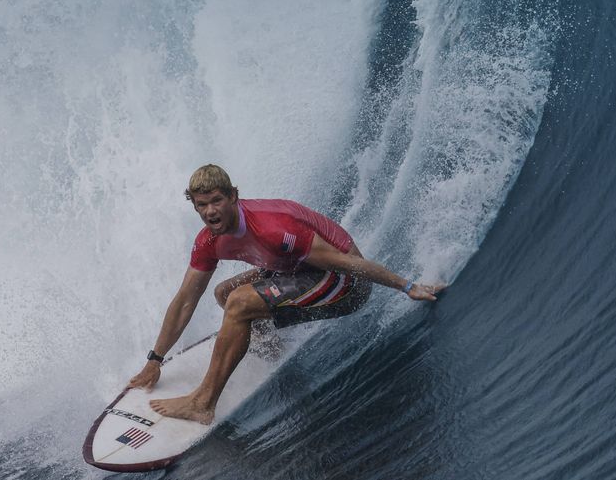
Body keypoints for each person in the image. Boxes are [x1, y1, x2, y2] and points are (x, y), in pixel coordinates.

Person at [127, 164, 445, 424]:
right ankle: (270, 344)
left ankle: (202, 402)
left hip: (345, 283)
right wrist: (155, 360)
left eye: (217, 201)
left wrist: (408, 286)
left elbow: (349, 264)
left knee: (238, 304)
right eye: (202, 205)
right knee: (226, 293)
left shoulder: (274, 230)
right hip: (294, 271)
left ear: (233, 196)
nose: (210, 211)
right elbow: (185, 300)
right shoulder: (209, 240)